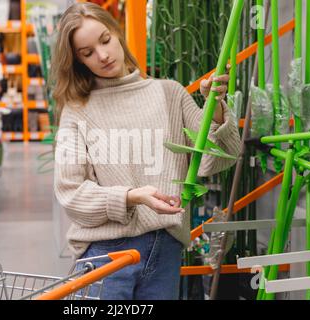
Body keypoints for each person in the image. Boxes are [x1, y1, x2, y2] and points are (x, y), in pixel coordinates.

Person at [51, 2, 241, 300]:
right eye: (87, 53)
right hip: (106, 256)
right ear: (77, 61)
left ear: (117, 32)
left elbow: (222, 156)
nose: (102, 55)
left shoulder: (168, 93)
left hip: (165, 249)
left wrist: (215, 108)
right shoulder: (77, 111)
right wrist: (131, 196)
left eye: (105, 40)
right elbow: (70, 194)